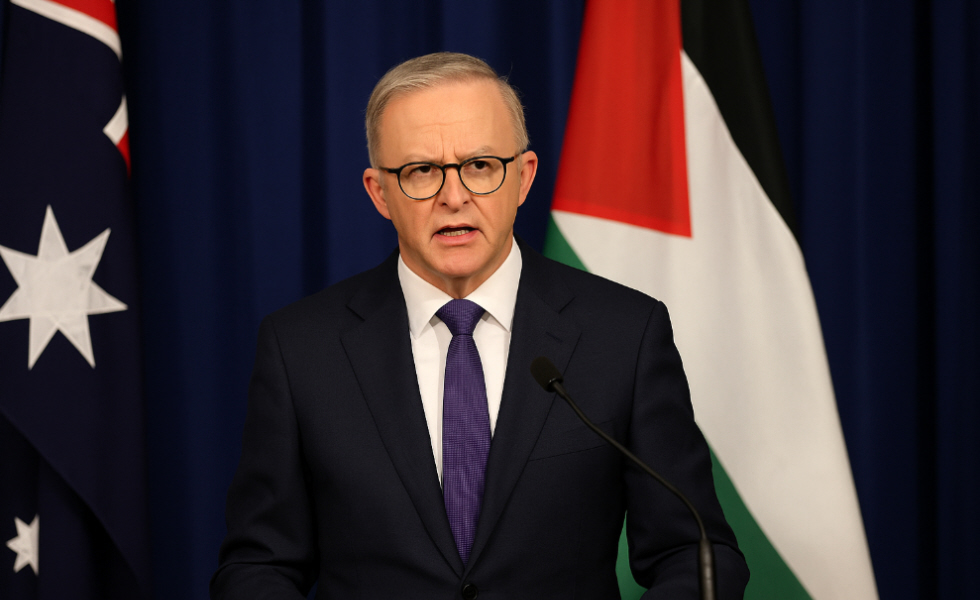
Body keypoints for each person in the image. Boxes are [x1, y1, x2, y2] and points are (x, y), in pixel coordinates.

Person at [211, 52, 748, 599]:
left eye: (481, 166)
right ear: (379, 193)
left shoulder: (623, 335)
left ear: (523, 177)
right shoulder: (301, 349)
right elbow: (258, 565)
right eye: (421, 171)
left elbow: (696, 553)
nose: (454, 196)